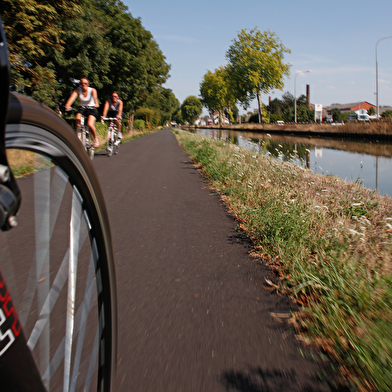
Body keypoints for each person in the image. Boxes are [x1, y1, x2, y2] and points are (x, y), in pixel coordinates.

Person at [65, 77, 100, 148]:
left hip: (91, 109)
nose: (83, 84)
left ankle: (96, 140)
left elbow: (96, 101)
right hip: (82, 109)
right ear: (80, 84)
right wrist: (68, 105)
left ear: (88, 84)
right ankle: (78, 138)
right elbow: (72, 97)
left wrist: (95, 104)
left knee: (90, 124)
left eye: (85, 83)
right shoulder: (78, 90)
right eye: (81, 83)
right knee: (77, 118)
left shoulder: (92, 90)